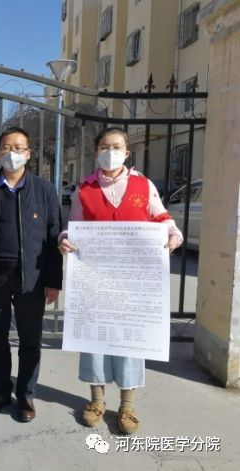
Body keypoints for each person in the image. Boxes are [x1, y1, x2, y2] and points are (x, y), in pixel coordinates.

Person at [58, 127, 183, 434]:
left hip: (133, 281)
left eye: (116, 147)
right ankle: (97, 401)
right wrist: (64, 238)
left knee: (130, 341)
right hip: (95, 278)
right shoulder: (84, 189)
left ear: (127, 152)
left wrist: (173, 233)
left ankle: (127, 406)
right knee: (94, 340)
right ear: (96, 151)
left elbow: (161, 217)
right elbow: (74, 226)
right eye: (104, 146)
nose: (109, 152)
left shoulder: (143, 185)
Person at [0, 126, 63, 422]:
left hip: (32, 276)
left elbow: (54, 236)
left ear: (28, 154)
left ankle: (26, 395)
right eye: (7, 147)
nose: (12, 153)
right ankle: (0, 392)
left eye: (19, 148)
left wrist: (53, 281)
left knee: (30, 340)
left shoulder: (43, 190)